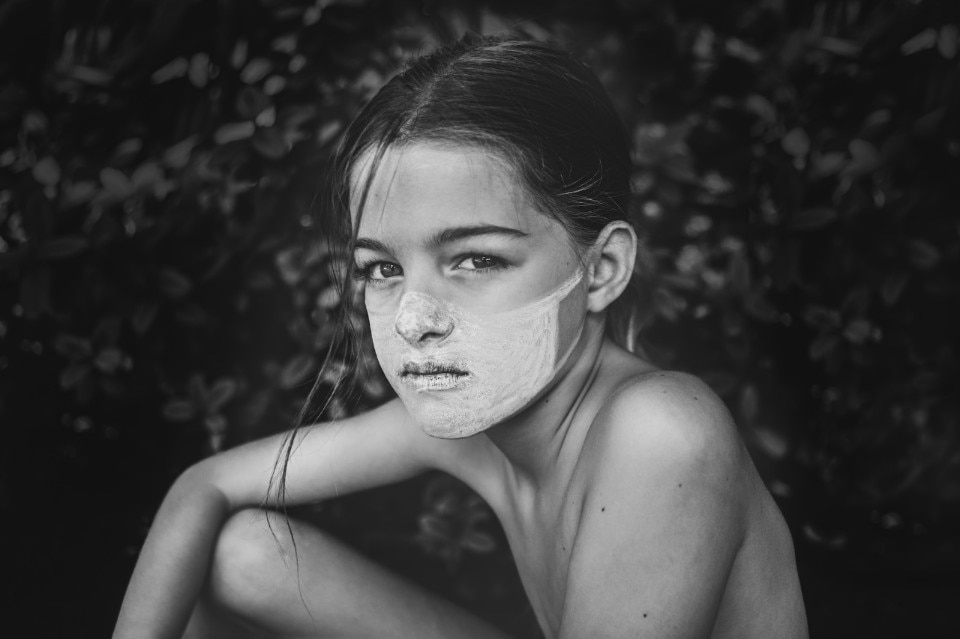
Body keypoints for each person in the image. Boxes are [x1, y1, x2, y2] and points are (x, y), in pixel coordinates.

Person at [113, 35, 808, 639]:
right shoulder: (474, 418)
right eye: (382, 268)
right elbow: (205, 486)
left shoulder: (661, 431)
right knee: (239, 554)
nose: (415, 318)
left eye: (476, 259)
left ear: (602, 269)